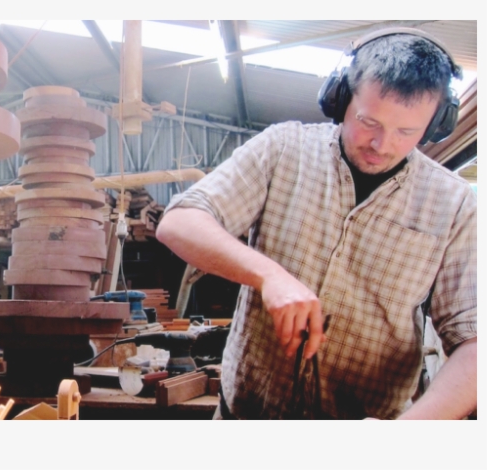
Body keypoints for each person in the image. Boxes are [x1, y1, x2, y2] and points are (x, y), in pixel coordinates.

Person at [156, 28, 476, 420]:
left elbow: (475, 343)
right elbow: (179, 222)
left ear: (436, 123)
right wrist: (269, 276)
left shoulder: (455, 204)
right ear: (341, 97)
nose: (383, 144)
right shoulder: (283, 149)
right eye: (368, 121)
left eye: (407, 132)